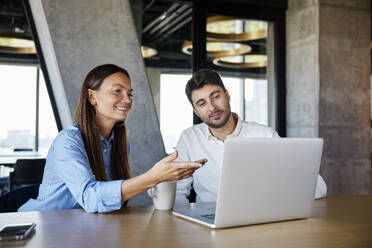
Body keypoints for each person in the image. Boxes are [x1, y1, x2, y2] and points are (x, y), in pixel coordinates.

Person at [19, 64, 203, 213]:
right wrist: (152, 178)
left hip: (82, 227)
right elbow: (90, 198)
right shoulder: (68, 141)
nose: (127, 100)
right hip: (41, 227)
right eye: (117, 91)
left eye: (129, 94)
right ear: (92, 97)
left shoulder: (119, 143)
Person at [175, 69, 327, 203]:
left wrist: (275, 181)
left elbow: (319, 188)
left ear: (227, 95)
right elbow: (176, 193)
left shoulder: (265, 136)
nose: (212, 107)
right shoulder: (189, 139)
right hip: (207, 225)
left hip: (258, 221)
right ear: (196, 111)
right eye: (202, 104)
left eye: (216, 97)